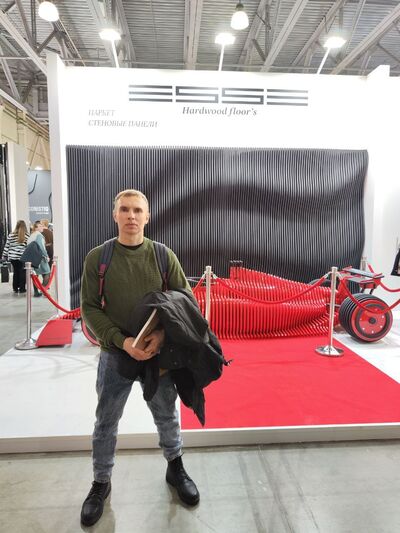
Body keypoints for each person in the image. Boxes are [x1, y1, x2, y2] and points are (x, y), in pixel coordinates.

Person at [80, 189, 200, 527]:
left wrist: (160, 336)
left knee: (166, 416)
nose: (131, 216)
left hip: (157, 356)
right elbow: (89, 308)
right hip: (115, 355)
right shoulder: (98, 258)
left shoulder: (163, 256)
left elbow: (186, 301)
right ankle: (101, 482)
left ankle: (175, 468)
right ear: (114, 215)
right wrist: (123, 340)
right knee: (106, 421)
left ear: (147, 216)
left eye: (137, 210)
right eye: (124, 209)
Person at [1, 220, 29, 293]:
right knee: (22, 272)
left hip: (12, 257)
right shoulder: (26, 235)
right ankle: (22, 288)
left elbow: (7, 246)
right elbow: (28, 247)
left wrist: (4, 255)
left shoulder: (11, 235)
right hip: (22, 257)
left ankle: (15, 288)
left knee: (16, 272)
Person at [28, 221, 50, 297]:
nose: (42, 227)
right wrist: (46, 255)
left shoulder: (32, 235)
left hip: (32, 257)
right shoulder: (39, 235)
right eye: (40, 226)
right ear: (36, 228)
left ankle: (36, 292)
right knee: (47, 272)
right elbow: (41, 247)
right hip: (40, 258)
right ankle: (43, 289)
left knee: (35, 275)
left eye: (42, 226)